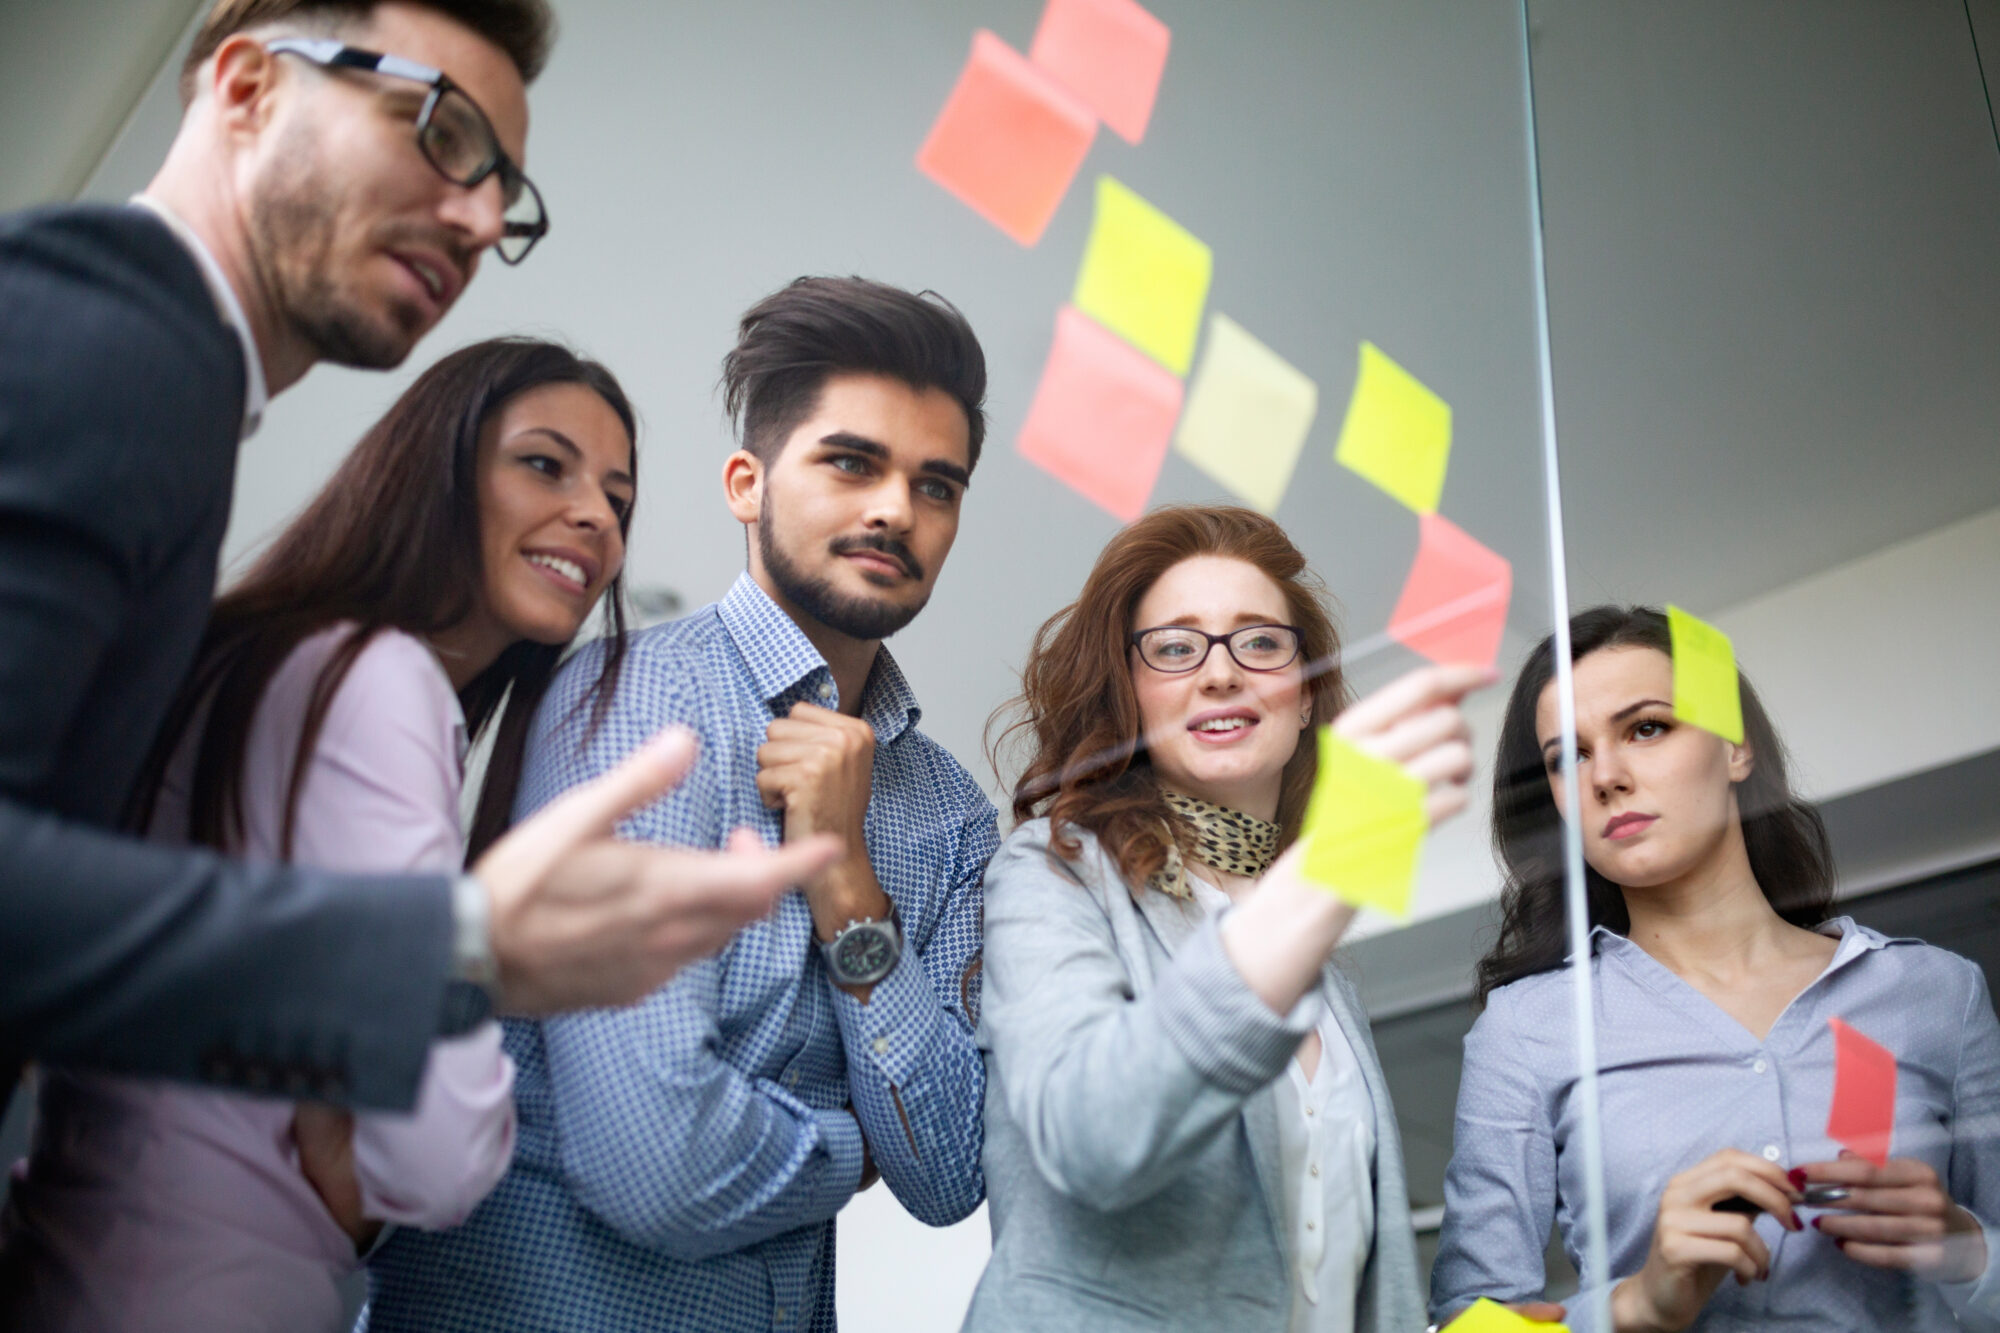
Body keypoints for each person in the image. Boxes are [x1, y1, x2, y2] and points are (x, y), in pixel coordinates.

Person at [0, 0, 836, 1121]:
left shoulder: (171, 379)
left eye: (504, 189)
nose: (482, 217)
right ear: (249, 88)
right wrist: (459, 945)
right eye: (441, 132)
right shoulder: (114, 332)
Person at [364, 275, 996, 1331]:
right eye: (850, 461)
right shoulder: (635, 698)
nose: (896, 507)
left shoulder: (950, 813)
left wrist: (846, 878)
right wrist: (850, 1149)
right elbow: (652, 1163)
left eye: (937, 485)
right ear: (745, 483)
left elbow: (947, 1173)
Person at [0, 336, 645, 1328]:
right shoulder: (380, 683)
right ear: (438, 466)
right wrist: (351, 1161)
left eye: (618, 496)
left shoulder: (267, 651)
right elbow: (440, 1163)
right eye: (543, 462)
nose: (596, 515)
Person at [964, 505, 1490, 1333]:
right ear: (1130, 694)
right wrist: (1324, 874)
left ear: (1308, 694)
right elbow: (1089, 1136)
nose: (1219, 673)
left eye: (1262, 641)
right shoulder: (1052, 871)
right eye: (1175, 648)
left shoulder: (1320, 961)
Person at [1430, 604, 2000, 1331]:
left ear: (1735, 747)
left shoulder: (1936, 995)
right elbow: (1463, 1324)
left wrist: (1969, 1250)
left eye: (1647, 727)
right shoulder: (1525, 1030)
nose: (1605, 776)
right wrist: (1638, 1302)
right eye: (1566, 756)